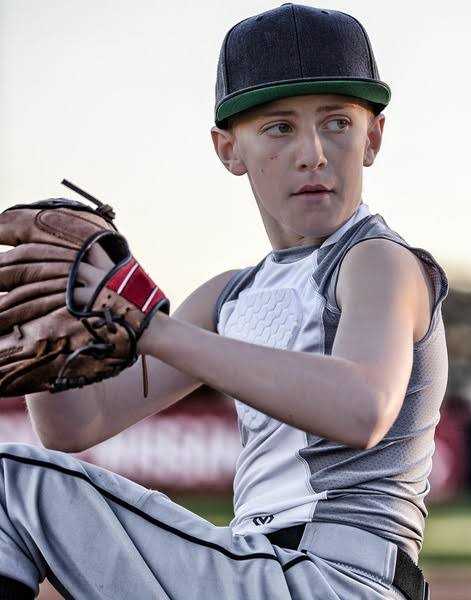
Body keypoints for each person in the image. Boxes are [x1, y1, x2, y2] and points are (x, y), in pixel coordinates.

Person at [0, 3, 447, 599]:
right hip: (257, 568)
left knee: (8, 482)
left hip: (339, 577)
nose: (314, 151)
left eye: (337, 121)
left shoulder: (377, 261)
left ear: (373, 136)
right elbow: (79, 425)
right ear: (228, 149)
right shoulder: (229, 296)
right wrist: (38, 324)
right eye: (279, 128)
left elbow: (362, 408)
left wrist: (151, 327)